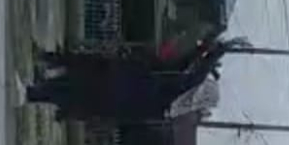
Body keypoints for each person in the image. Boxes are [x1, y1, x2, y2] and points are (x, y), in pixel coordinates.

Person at [16, 43, 222, 122]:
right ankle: (31, 93)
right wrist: (204, 50)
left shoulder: (178, 95)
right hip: (117, 94)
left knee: (75, 88)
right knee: (74, 89)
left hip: (119, 90)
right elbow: (183, 67)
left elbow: (193, 78)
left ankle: (30, 93)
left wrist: (214, 54)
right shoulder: (174, 105)